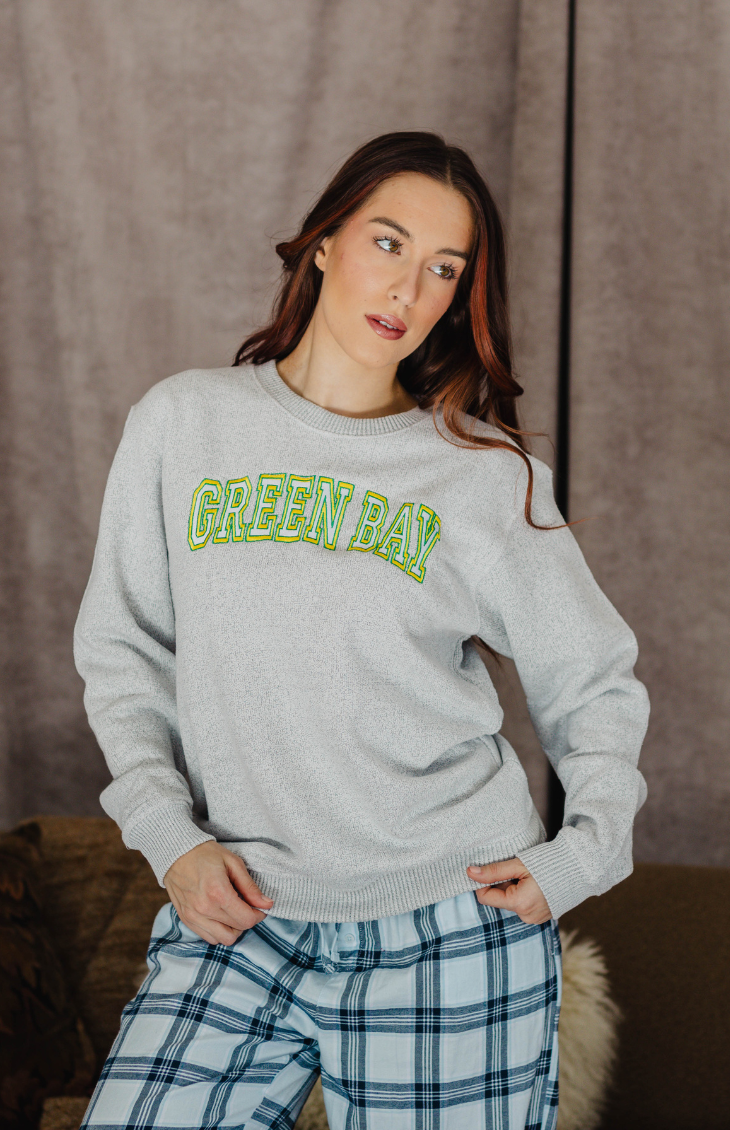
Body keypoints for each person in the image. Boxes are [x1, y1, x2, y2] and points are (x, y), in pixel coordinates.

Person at [73, 130, 650, 1129]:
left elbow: (593, 680)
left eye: (444, 268)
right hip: (240, 912)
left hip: (448, 926)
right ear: (324, 243)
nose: (409, 289)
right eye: (388, 243)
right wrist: (169, 838)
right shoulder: (183, 424)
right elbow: (125, 653)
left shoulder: (482, 477)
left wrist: (584, 851)